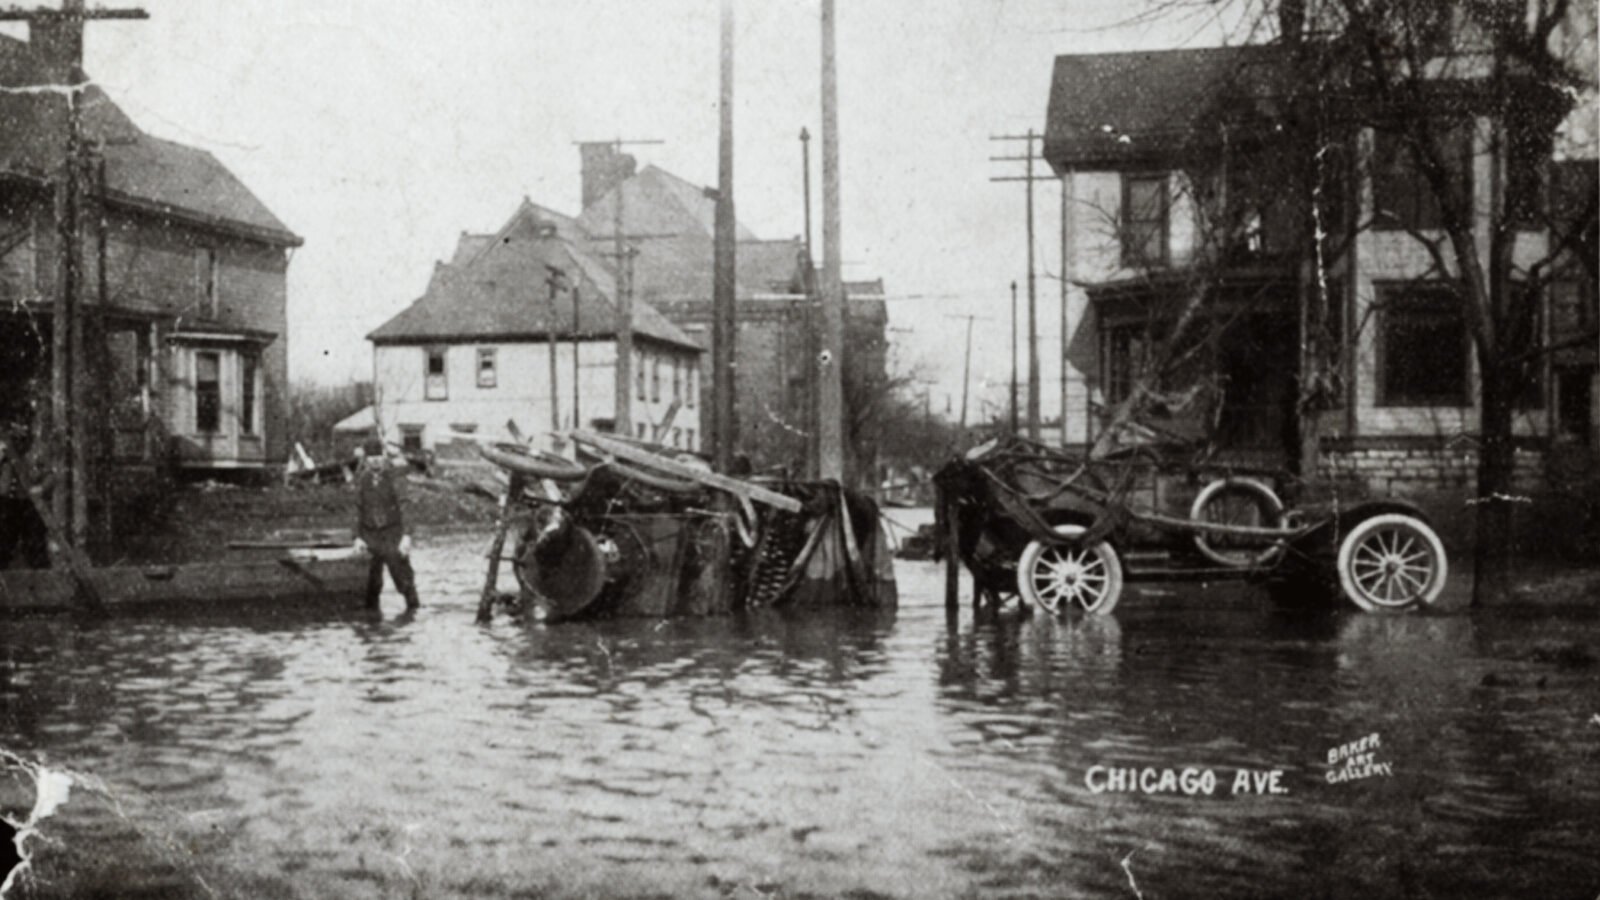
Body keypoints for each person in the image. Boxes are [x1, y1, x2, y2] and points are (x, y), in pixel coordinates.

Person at [354, 437, 419, 610]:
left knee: (404, 581)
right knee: (370, 586)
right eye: (371, 456)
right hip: (370, 536)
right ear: (366, 459)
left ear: (383, 456)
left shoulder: (395, 477)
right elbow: (357, 510)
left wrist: (406, 536)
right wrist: (358, 537)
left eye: (378, 455)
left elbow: (406, 505)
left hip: (392, 535)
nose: (375, 459)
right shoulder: (362, 480)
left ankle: (412, 616)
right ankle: (372, 627)